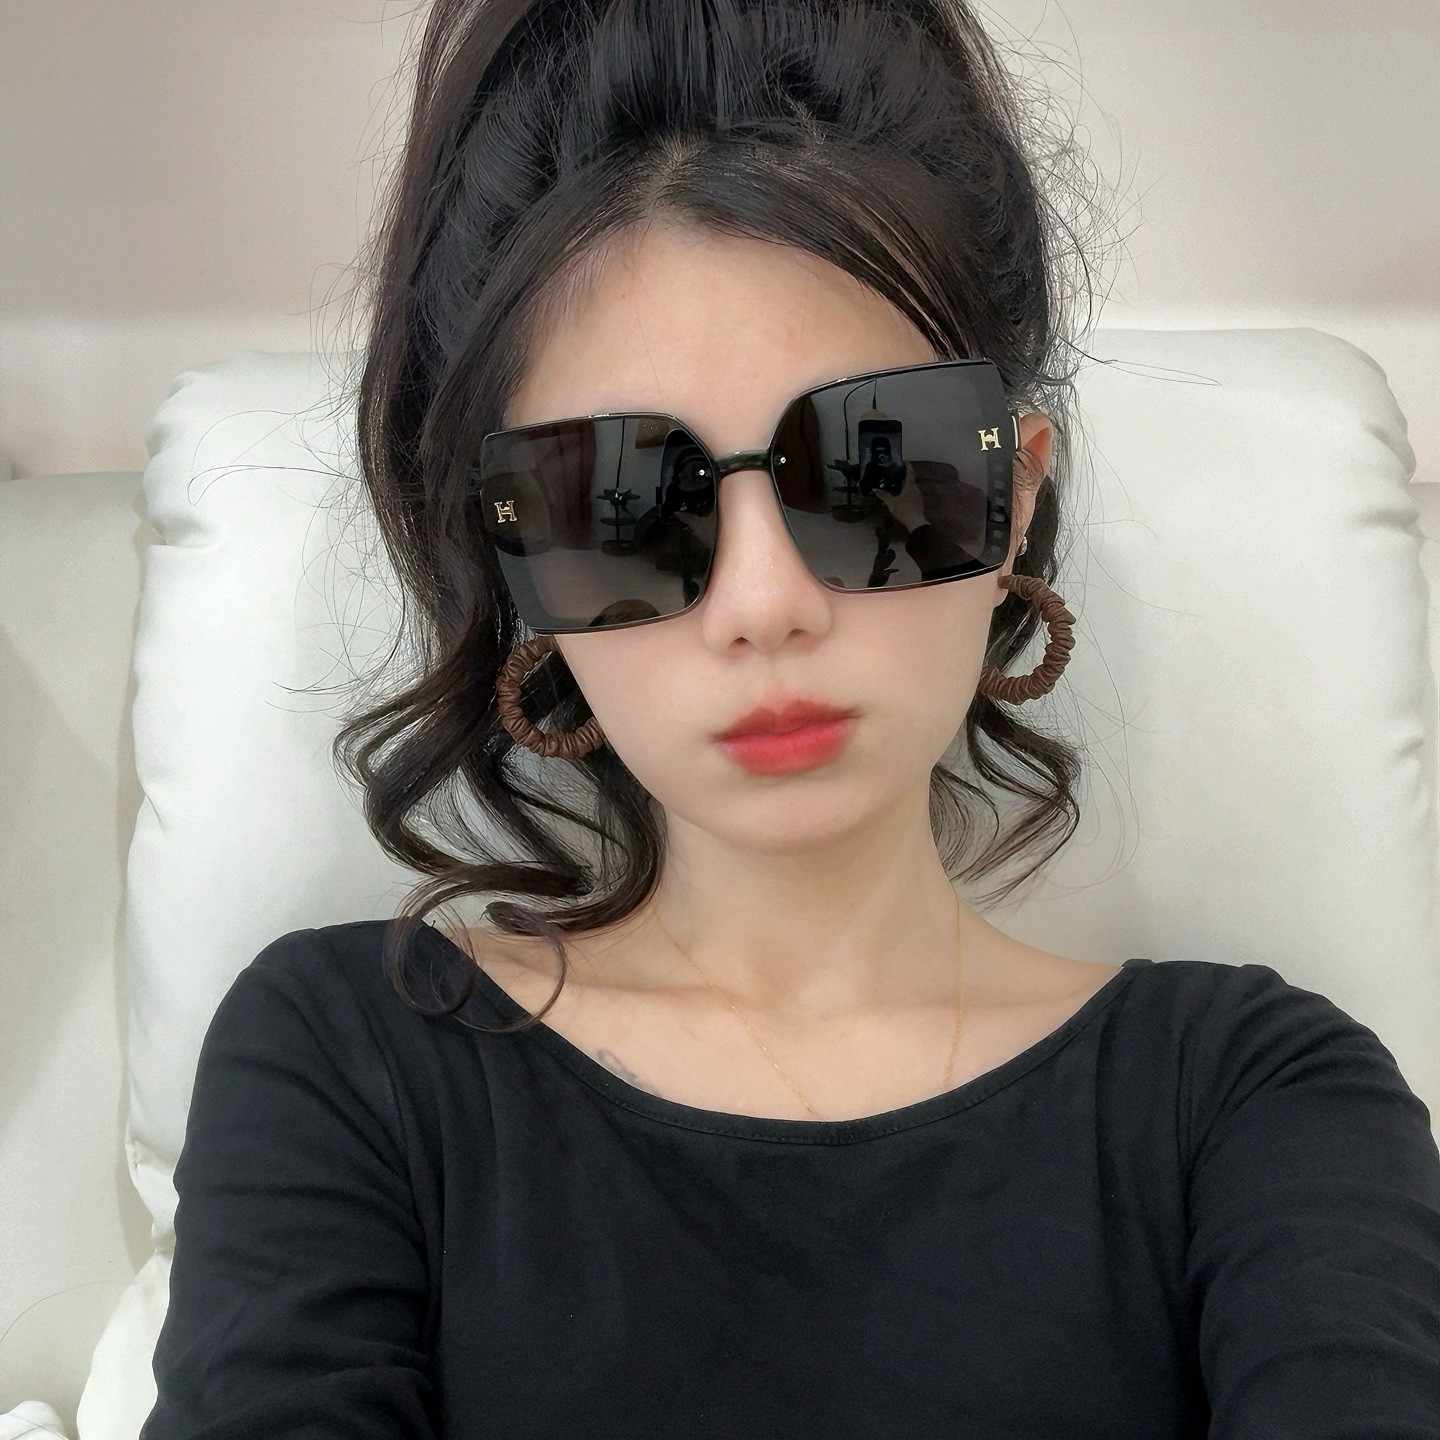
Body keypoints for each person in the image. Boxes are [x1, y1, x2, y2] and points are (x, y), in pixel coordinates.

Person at [140, 1, 1440, 1436]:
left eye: (874, 467)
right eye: (622, 502)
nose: (763, 604)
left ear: (1014, 493)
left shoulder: (1257, 1101)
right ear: (519, 565)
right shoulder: (349, 1063)